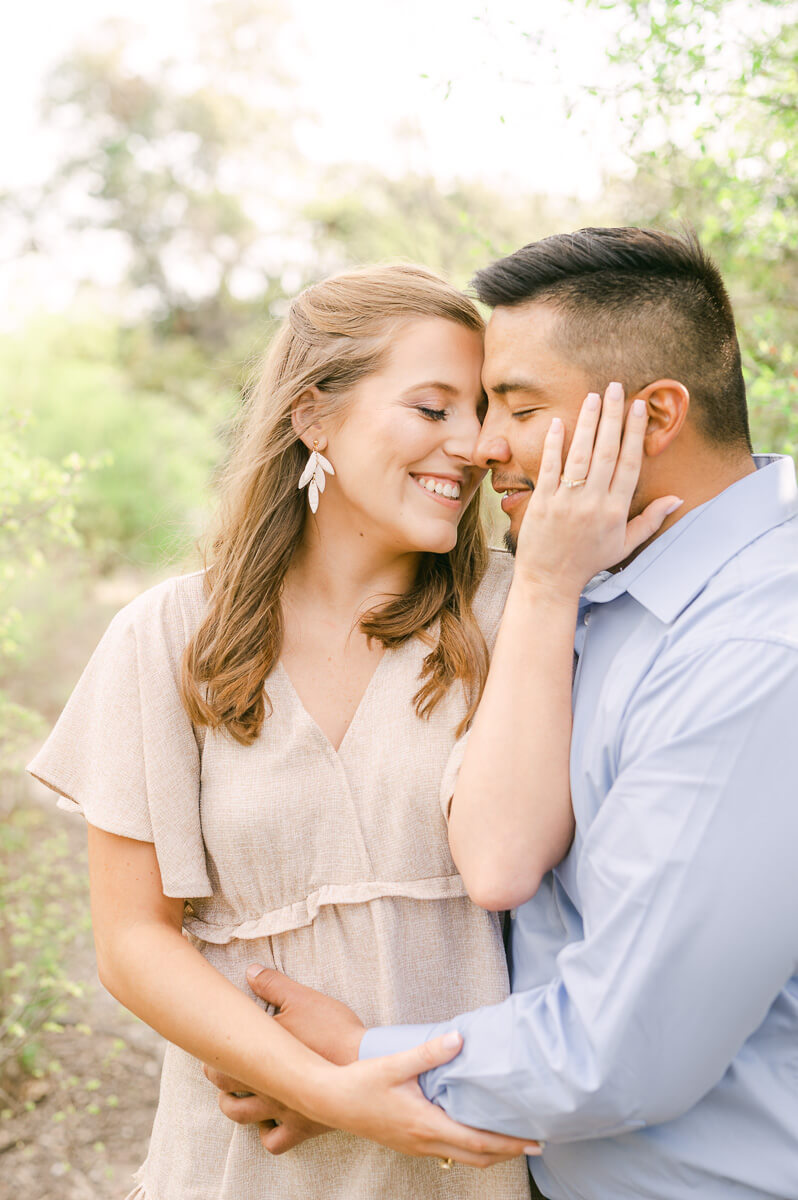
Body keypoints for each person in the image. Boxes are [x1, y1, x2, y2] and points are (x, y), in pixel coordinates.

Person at [216, 229, 798, 1200]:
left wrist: (354, 1066)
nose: (484, 447)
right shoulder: (605, 586)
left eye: (517, 409)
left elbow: (626, 1048)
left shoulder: (755, 654)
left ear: (654, 415)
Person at [29, 263, 549, 1199]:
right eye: (433, 410)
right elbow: (133, 941)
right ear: (314, 417)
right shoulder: (171, 637)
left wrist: (380, 1080)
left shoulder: (521, 614)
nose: (474, 446)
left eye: (481, 412)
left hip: (461, 1147)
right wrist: (324, 1088)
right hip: (246, 1158)